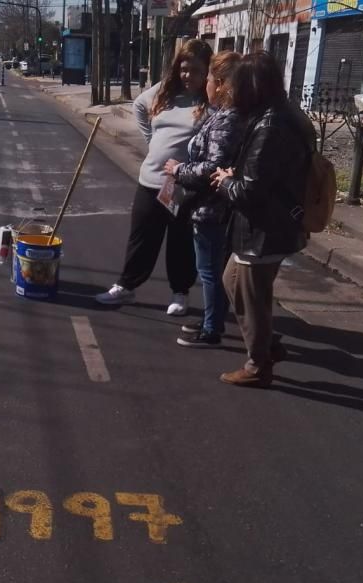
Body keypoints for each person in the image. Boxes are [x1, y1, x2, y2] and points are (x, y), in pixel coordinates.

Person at [211, 51, 316, 387]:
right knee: (234, 281)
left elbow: (250, 191)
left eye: (235, 85)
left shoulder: (270, 125)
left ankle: (258, 365)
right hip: (273, 224)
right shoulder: (281, 114)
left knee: (249, 295)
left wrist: (225, 181)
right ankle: (267, 344)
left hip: (263, 229)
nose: (229, 91)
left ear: (251, 88)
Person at [95, 39, 213, 316]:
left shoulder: (209, 101)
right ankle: (126, 286)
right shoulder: (165, 91)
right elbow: (139, 105)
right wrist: (152, 141)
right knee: (141, 238)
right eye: (184, 69)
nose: (188, 75)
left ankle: (180, 292)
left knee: (180, 242)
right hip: (150, 180)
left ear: (207, 71)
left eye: (196, 70)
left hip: (183, 185)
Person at [163, 50, 245, 347]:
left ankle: (211, 330)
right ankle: (213, 321)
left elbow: (213, 167)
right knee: (214, 271)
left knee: (210, 271)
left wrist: (179, 170)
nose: (205, 84)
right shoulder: (224, 114)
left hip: (212, 208)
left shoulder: (227, 119)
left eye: (209, 78)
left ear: (220, 83)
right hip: (215, 206)